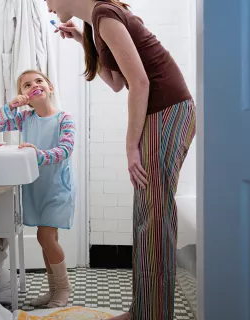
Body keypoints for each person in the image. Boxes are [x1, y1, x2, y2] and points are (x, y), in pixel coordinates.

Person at [44, 0, 196, 319]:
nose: (46, 6)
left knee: (154, 217)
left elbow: (140, 83)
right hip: (161, 113)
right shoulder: (98, 24)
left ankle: (153, 314)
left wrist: (130, 147)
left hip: (167, 111)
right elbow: (116, 83)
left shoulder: (104, 14)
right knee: (146, 216)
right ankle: (142, 309)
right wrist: (81, 40)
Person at [0, 70, 76, 308]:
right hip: (36, 187)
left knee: (45, 236)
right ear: (24, 94)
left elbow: (66, 149)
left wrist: (38, 155)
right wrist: (11, 105)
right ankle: (53, 290)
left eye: (39, 81)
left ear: (50, 87)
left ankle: (64, 289)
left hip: (57, 187)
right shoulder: (25, 118)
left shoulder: (63, 118)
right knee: (47, 240)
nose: (34, 86)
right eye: (27, 85)